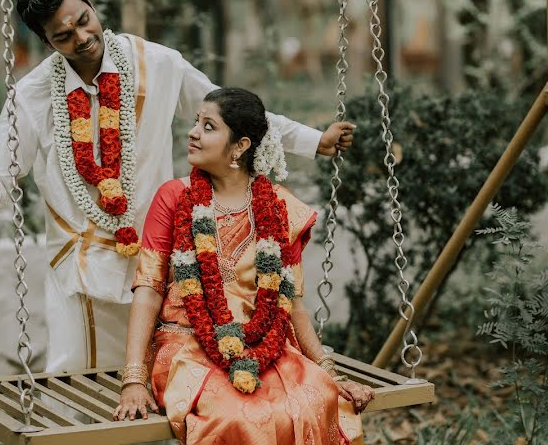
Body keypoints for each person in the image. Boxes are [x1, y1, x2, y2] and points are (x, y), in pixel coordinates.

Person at [0, 0, 355, 372]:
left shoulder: (158, 64)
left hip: (158, 263)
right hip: (79, 271)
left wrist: (312, 140)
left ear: (91, 3)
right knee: (77, 378)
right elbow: (0, 184)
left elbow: (233, 116)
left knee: (163, 380)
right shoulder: (31, 96)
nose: (80, 38)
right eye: (63, 36)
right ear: (46, 43)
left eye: (83, 20)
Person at [115, 87, 372, 444]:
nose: (193, 132)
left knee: (313, 402)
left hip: (267, 345)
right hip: (188, 348)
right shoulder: (174, 197)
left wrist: (329, 371)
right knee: (239, 417)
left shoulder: (280, 206)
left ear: (239, 146)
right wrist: (132, 379)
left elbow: (293, 303)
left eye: (208, 126)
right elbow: (147, 290)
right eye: (196, 123)